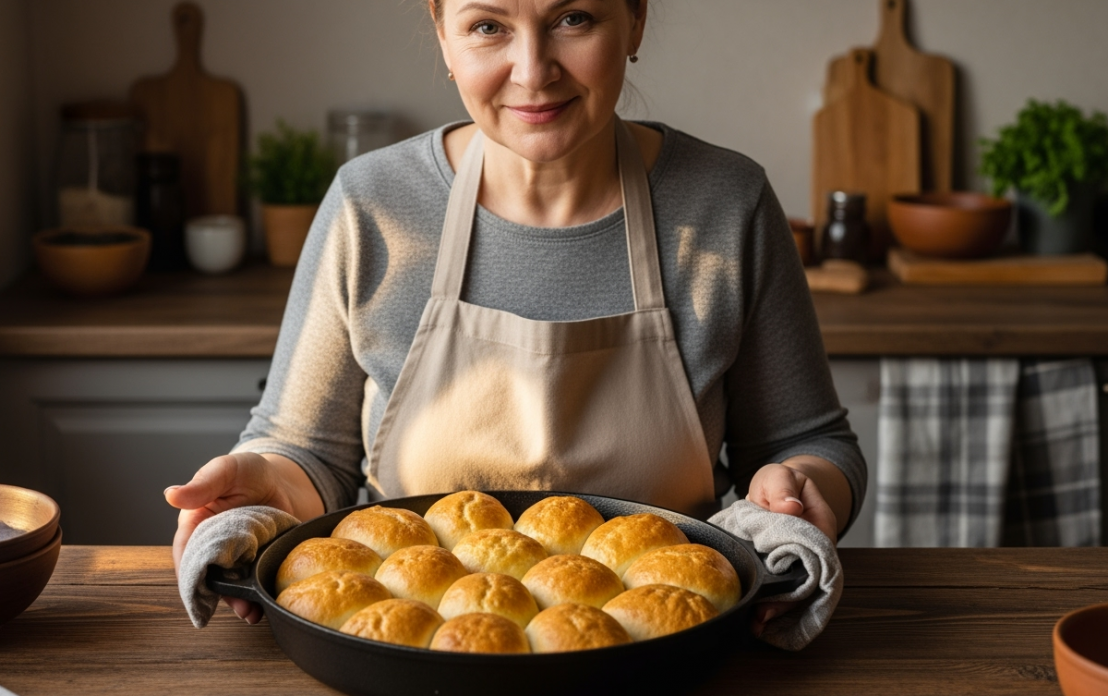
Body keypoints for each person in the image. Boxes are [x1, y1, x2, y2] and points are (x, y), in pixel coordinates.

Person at [166, 0, 866, 636]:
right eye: (488, 26)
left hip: (661, 661)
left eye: (573, 19)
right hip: (406, 662)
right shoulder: (371, 205)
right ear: (443, 34)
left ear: (637, 21)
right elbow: (307, 454)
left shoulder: (725, 203)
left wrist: (804, 488)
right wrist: (260, 489)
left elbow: (810, 441)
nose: (532, 71)